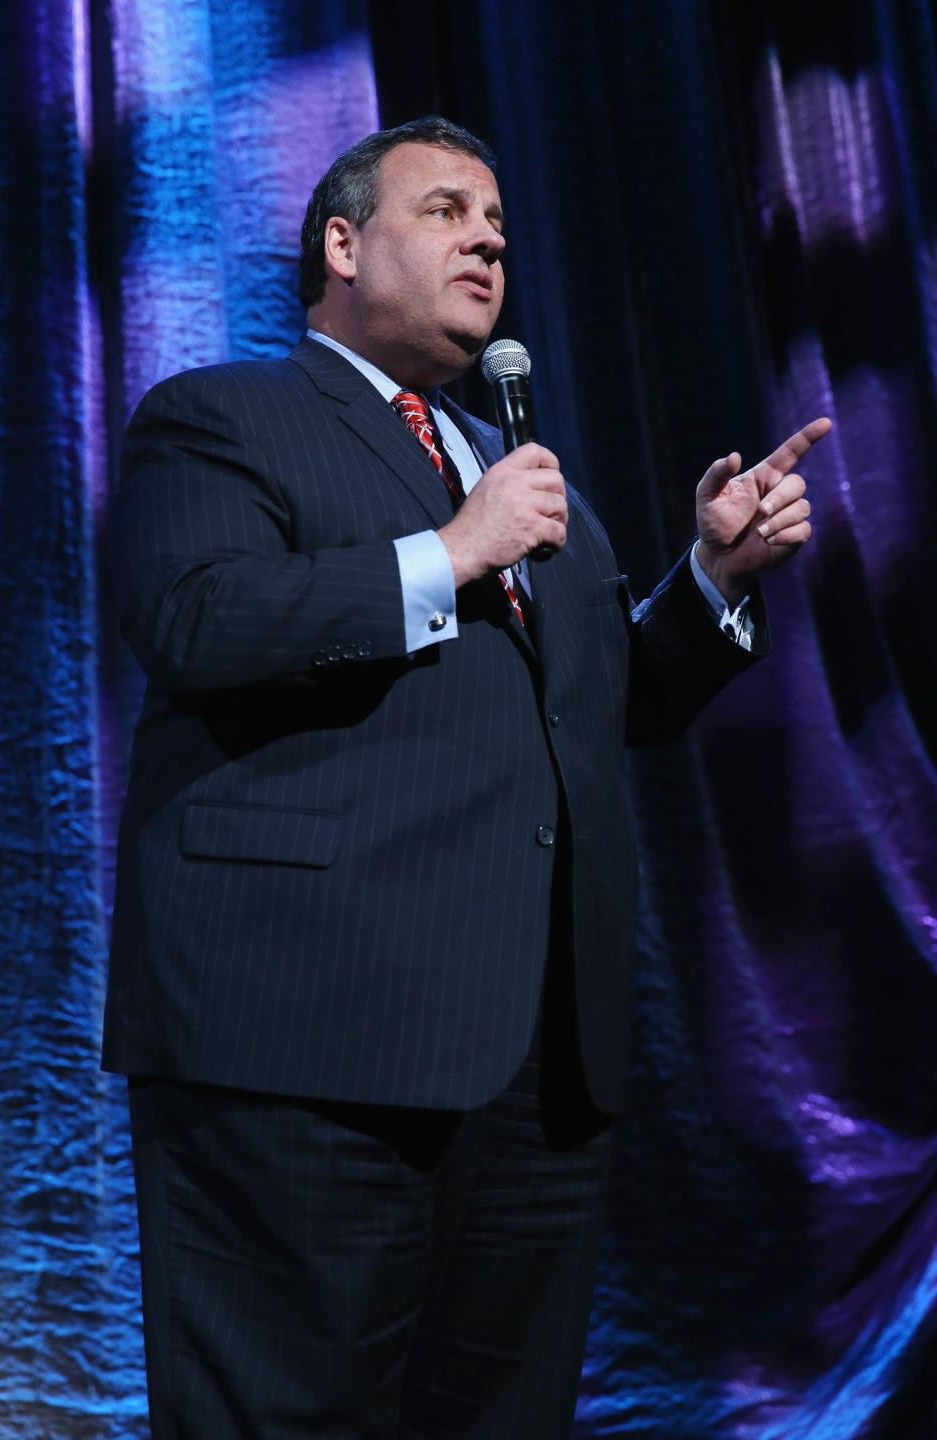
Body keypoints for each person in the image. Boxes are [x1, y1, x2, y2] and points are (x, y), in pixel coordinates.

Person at [103, 116, 829, 1438]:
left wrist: (711, 580)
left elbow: (604, 705)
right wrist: (449, 553)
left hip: (529, 1069)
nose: (488, 236)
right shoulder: (221, 417)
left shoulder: (509, 474)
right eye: (445, 211)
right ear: (341, 244)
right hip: (301, 1050)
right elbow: (199, 621)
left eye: (495, 220)